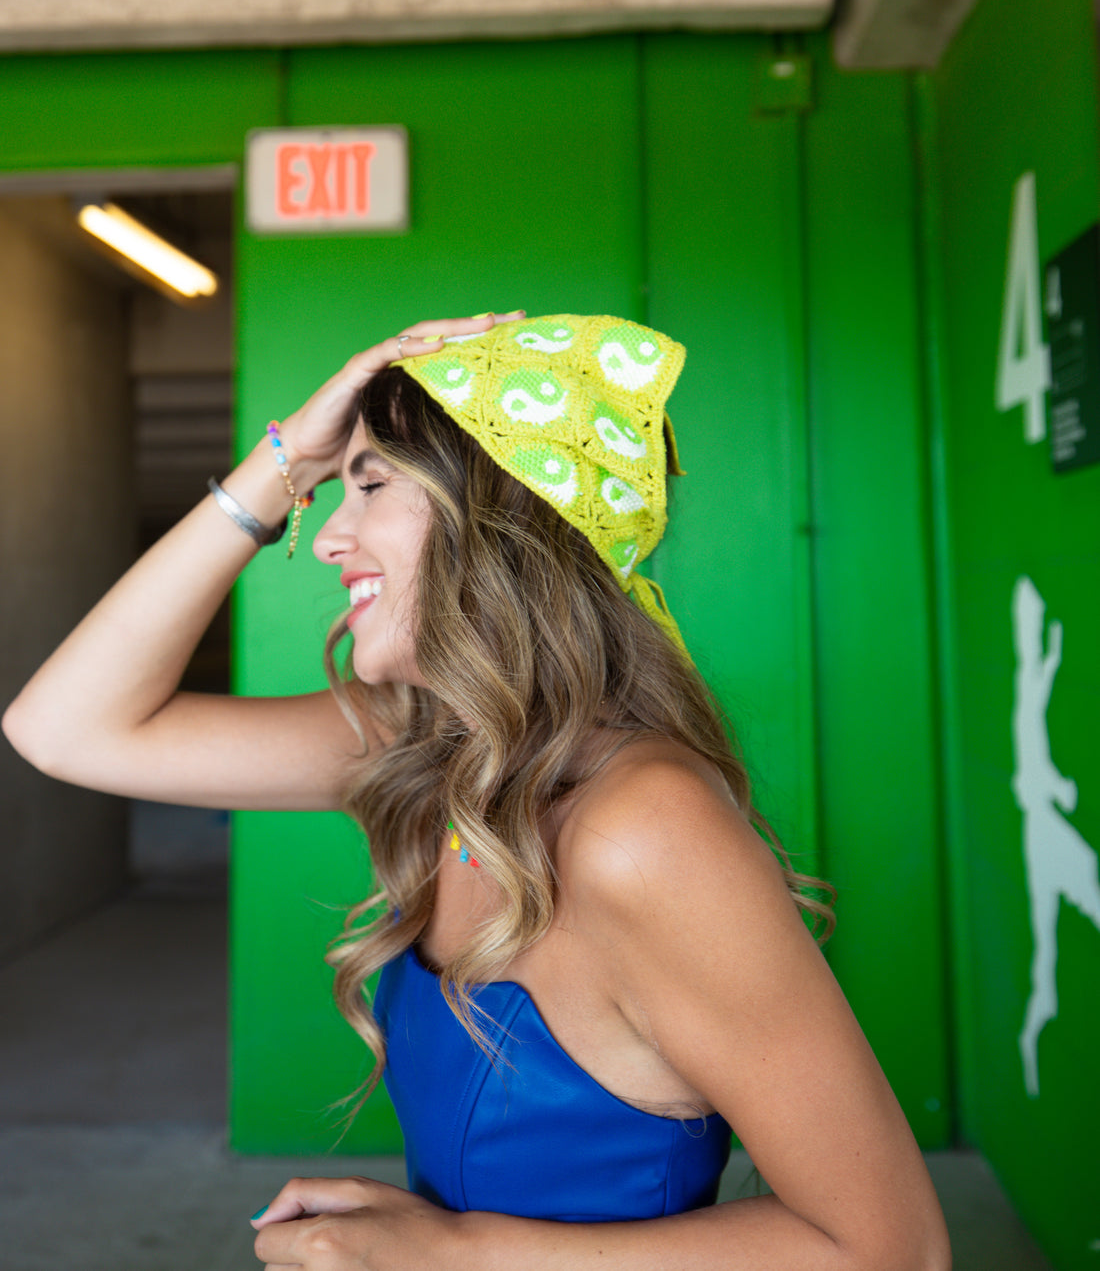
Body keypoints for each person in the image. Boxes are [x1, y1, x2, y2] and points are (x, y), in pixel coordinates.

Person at [3, 309, 951, 1271]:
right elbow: (63, 728)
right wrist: (284, 457)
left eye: (369, 485)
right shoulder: (431, 751)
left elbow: (892, 1250)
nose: (329, 539)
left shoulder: (642, 827)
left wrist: (454, 1250)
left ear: (498, 517)